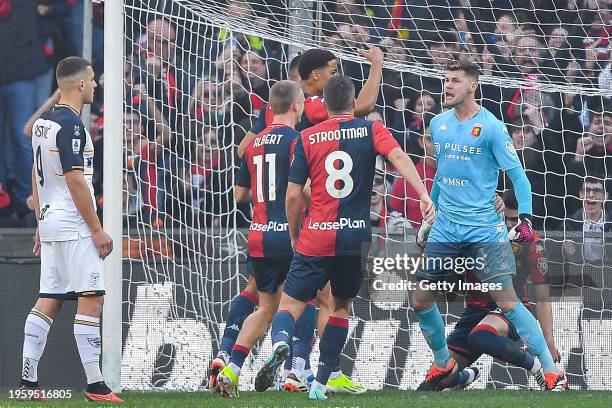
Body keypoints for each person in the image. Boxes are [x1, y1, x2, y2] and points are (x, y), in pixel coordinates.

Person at [255, 76, 434, 400]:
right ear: (354, 103)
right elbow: (398, 157)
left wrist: (295, 235)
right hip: (354, 236)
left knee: (292, 302)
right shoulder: (370, 129)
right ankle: (322, 384)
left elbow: (293, 195)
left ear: (323, 104)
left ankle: (282, 341)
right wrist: (422, 193)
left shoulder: (307, 136)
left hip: (316, 236)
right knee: (340, 308)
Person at [411, 60, 566, 392]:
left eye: (454, 80)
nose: (447, 86)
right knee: (419, 299)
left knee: (508, 302)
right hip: (446, 229)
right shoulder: (438, 124)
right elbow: (441, 174)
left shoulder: (493, 127)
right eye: (445, 80)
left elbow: (517, 175)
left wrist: (524, 217)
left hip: (484, 229)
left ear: (472, 86)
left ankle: (551, 370)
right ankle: (443, 364)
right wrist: (430, 211)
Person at [20, 56, 122, 403]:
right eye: (92, 80)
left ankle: (28, 383)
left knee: (49, 300)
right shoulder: (72, 126)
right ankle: (95, 385)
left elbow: (37, 176)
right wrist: (96, 229)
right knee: (92, 299)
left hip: (50, 223)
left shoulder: (42, 124)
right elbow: (75, 180)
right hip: (75, 224)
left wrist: (38, 225)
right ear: (80, 84)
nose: (94, 84)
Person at [216, 80, 305, 397]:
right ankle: (295, 365)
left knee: (265, 307)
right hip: (289, 235)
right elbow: (300, 191)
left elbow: (240, 194)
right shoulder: (297, 140)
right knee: (307, 301)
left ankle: (233, 367)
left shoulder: (252, 144)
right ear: (297, 105)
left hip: (258, 235)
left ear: (270, 107)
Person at [440, 189, 561, 390]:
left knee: (480, 335)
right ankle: (465, 377)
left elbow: (543, 298)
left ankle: (537, 367)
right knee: (439, 382)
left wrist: (548, 340)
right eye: (505, 218)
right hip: (474, 311)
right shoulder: (477, 232)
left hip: (511, 311)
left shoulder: (532, 244)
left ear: (524, 220)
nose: (508, 224)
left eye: (514, 220)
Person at [236, 46, 384, 158]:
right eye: (333, 72)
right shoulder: (311, 104)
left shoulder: (270, 107)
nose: (337, 77)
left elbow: (242, 150)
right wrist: (377, 63)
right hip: (304, 191)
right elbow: (365, 105)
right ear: (315, 75)